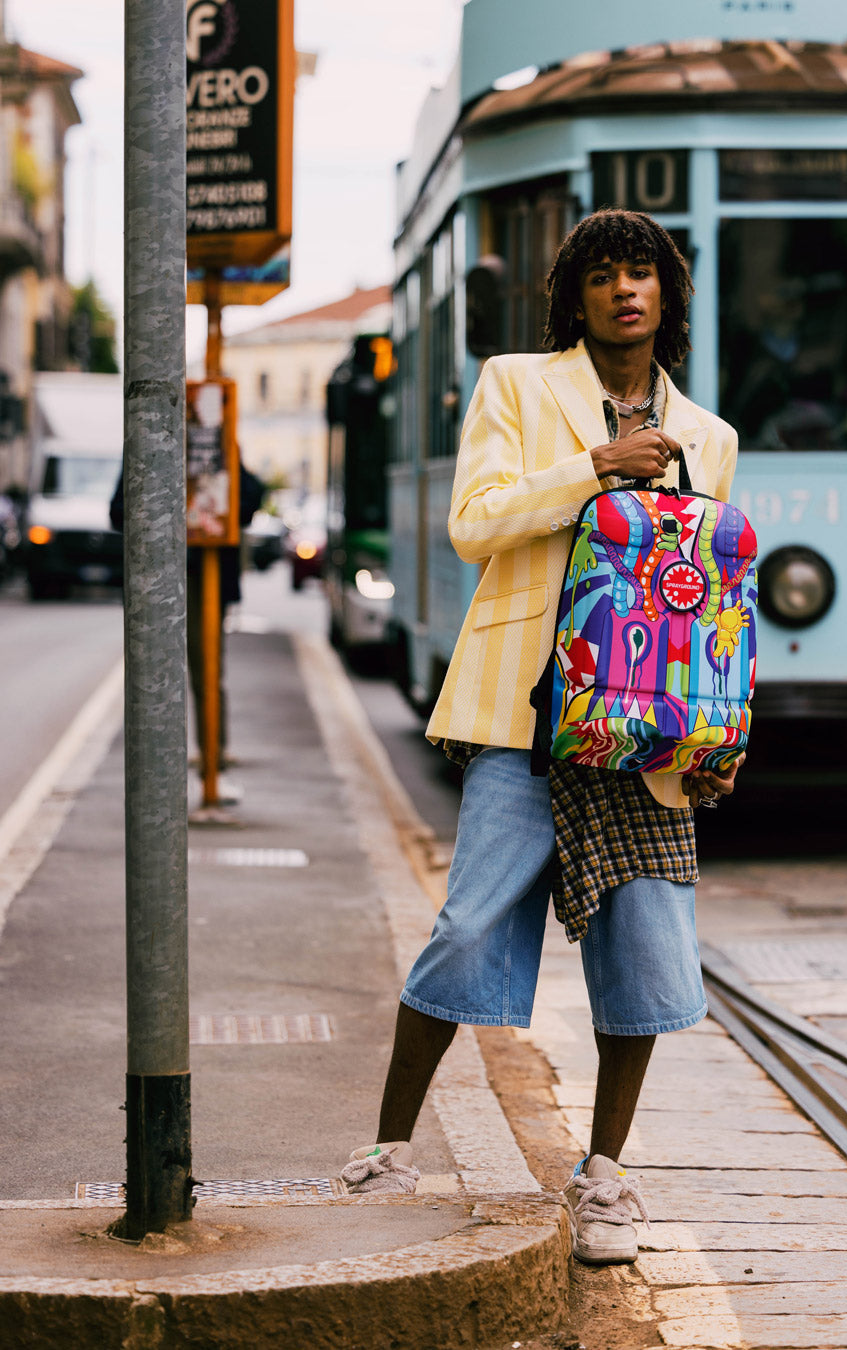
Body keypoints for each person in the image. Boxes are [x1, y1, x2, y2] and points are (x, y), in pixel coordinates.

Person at [341, 210, 743, 1265]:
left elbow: (705, 600)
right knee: (468, 924)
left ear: (668, 293)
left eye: (643, 273)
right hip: (528, 711)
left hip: (647, 727)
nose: (626, 290)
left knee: (645, 946)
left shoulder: (711, 438)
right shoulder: (517, 385)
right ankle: (388, 1147)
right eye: (605, 275)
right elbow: (474, 523)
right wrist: (596, 470)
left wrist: (715, 727)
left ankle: (604, 1178)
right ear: (576, 296)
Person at [110, 459, 264, 770]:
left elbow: (248, 501)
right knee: (164, 669)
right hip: (166, 573)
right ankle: (177, 758)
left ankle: (211, 754)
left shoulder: (215, 438)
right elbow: (118, 512)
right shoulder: (156, 437)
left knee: (202, 668)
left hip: (200, 572)